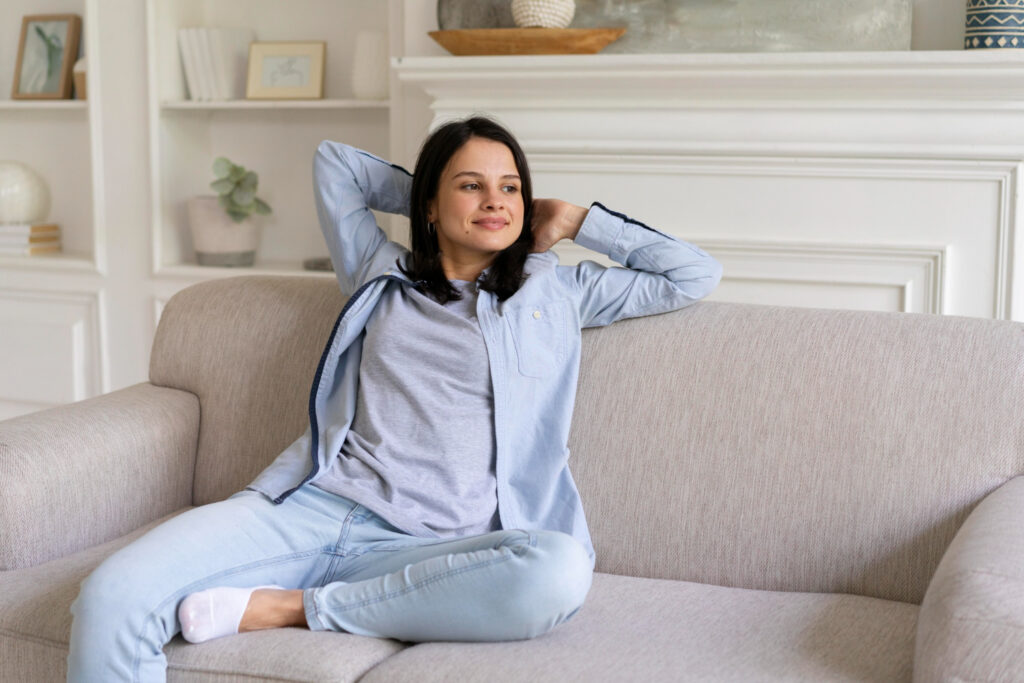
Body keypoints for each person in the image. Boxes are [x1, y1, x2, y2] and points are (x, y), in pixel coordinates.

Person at [67, 115, 722, 682]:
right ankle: (329, 594)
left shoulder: (557, 292)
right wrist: (432, 190)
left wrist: (577, 218)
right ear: (430, 208)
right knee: (111, 595)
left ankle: (296, 606)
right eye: (472, 185)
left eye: (510, 187)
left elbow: (693, 273)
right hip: (311, 511)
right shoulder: (378, 272)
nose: (496, 200)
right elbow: (336, 163)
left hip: (435, 549)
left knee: (557, 571)